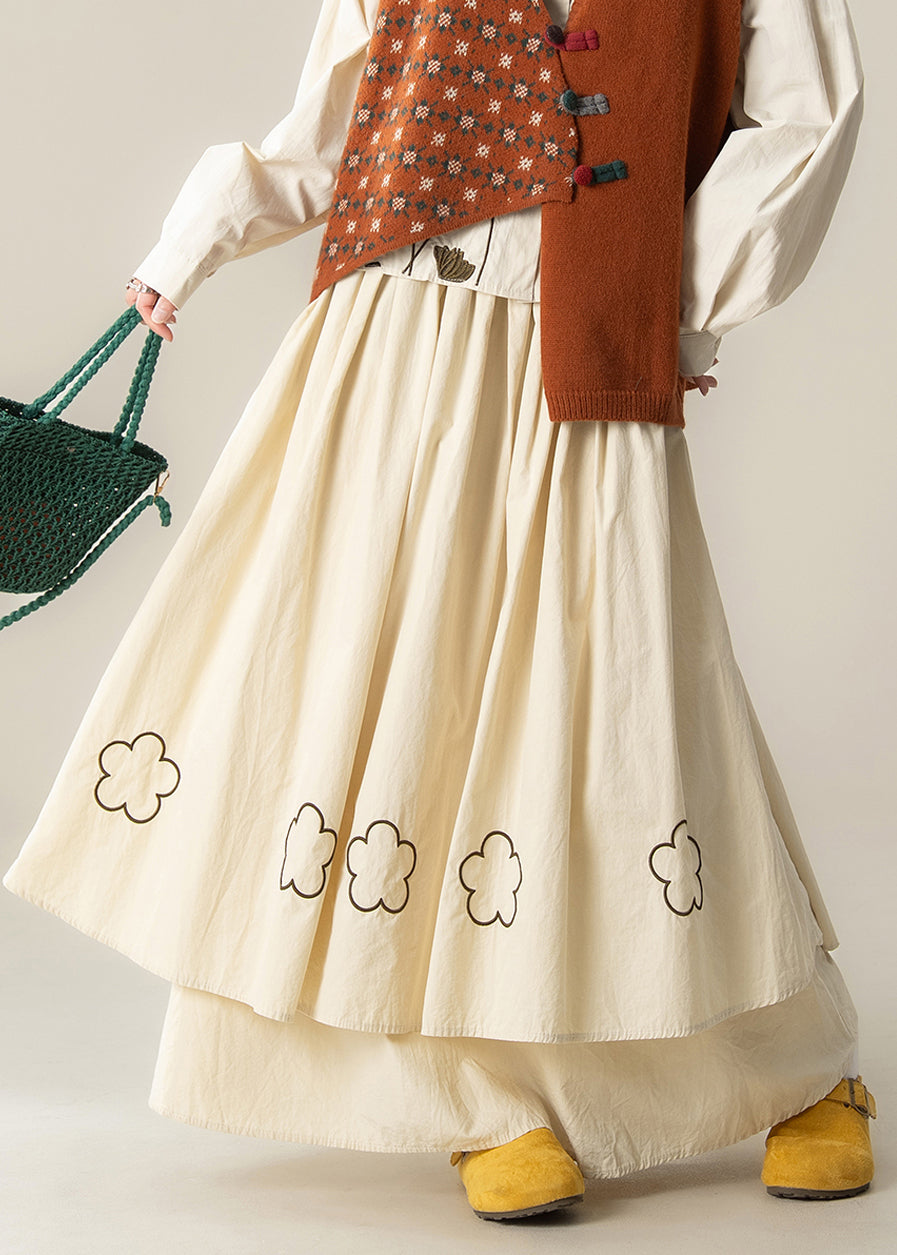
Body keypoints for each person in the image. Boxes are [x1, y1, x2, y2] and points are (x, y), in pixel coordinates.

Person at [4, 0, 876, 1222]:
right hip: (385, 343)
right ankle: (470, 1094)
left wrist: (666, 294)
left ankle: (791, 1061)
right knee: (378, 709)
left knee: (618, 712)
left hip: (580, 350)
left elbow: (806, 119)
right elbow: (338, 117)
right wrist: (193, 241)